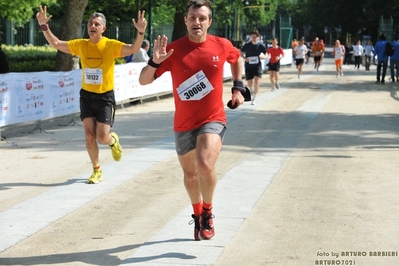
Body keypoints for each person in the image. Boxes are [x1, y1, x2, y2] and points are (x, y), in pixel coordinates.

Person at [138, 0, 245, 241]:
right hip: (184, 123)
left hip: (213, 118)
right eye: (192, 18)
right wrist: (155, 61)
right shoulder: (173, 50)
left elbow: (237, 58)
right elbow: (144, 81)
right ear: (186, 21)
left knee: (204, 164)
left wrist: (238, 88)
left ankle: (207, 212)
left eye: (202, 18)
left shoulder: (221, 45)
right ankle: (197, 214)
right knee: (190, 176)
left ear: (209, 22)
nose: (197, 22)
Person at [36, 6, 147, 184]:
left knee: (102, 137)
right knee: (89, 135)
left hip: (105, 98)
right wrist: (44, 26)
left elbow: (134, 49)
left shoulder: (111, 45)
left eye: (97, 24)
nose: (92, 26)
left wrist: (140, 32)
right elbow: (57, 44)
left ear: (103, 28)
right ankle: (97, 170)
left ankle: (112, 141)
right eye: (90, 23)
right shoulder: (81, 45)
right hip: (87, 96)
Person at [240, 29, 266, 105]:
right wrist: (245, 58)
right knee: (250, 83)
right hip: (248, 66)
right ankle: (251, 90)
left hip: (257, 65)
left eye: (255, 37)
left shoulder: (260, 45)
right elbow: (241, 52)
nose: (253, 38)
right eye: (252, 37)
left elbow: (266, 54)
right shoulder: (247, 45)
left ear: (258, 37)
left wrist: (263, 57)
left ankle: (254, 98)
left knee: (257, 80)